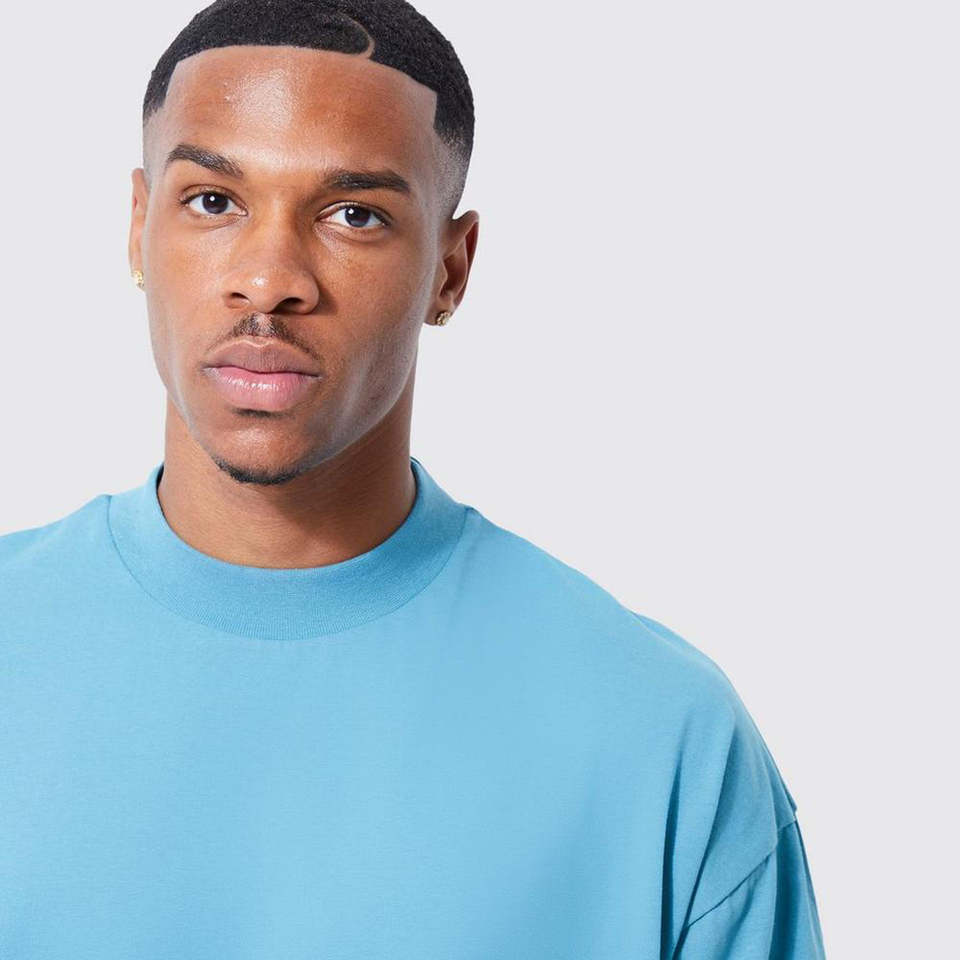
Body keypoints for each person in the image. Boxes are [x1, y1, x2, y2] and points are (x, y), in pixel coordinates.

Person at [0, 1, 827, 957]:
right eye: (213, 202)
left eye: (354, 215)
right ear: (140, 227)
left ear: (450, 268)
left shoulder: (663, 735)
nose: (268, 279)